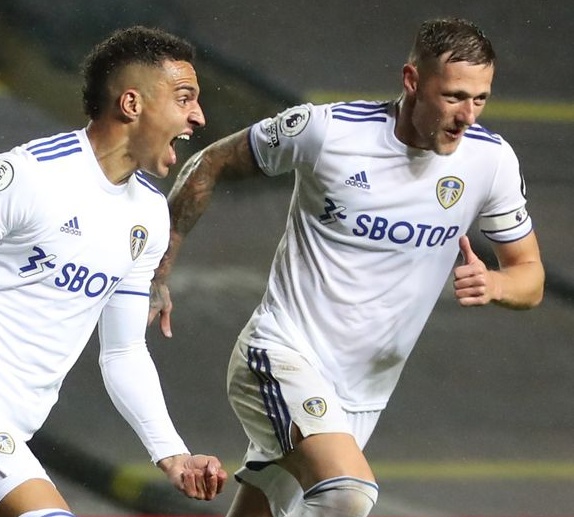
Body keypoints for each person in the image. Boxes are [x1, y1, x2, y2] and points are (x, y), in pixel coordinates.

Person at [149, 17, 544, 517]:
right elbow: (211, 163)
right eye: (454, 97)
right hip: (281, 353)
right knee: (346, 493)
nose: (468, 115)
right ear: (412, 81)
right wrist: (155, 272)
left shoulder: (491, 162)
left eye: (480, 99)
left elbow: (530, 276)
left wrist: (496, 282)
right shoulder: (328, 131)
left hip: (361, 396)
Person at [0, 25, 227, 517]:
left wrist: (171, 453)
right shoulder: (24, 175)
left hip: (6, 427)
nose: (198, 117)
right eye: (185, 99)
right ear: (132, 104)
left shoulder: (148, 215)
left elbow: (123, 350)